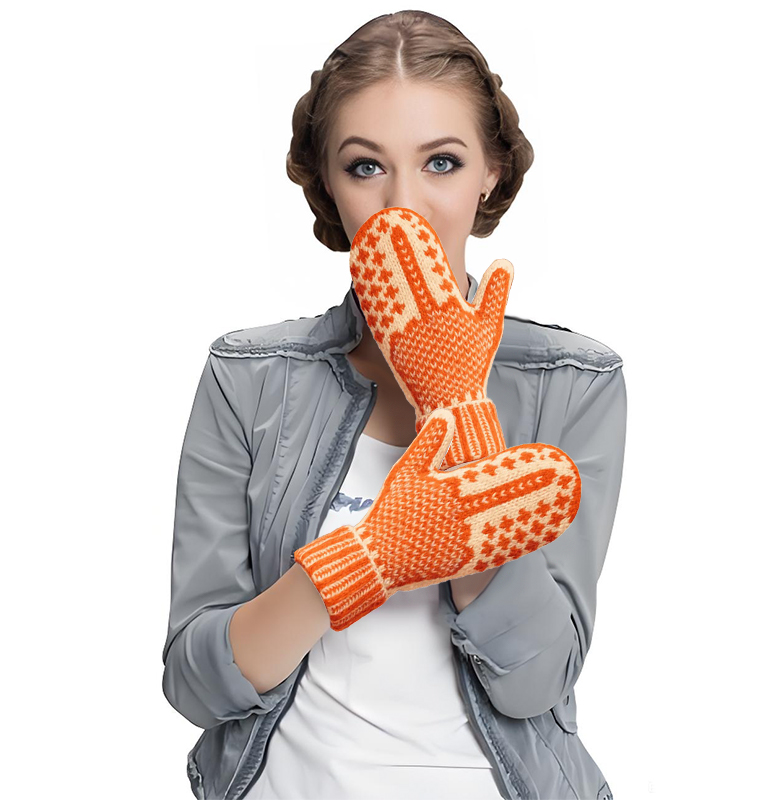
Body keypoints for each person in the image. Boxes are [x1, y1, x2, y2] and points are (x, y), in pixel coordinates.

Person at [161, 11, 625, 800]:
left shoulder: (573, 383)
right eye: (366, 166)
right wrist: (368, 558)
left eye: (441, 162)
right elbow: (195, 684)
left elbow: (536, 682)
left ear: (490, 173)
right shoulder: (249, 376)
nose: (404, 206)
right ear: (326, 183)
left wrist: (459, 407)